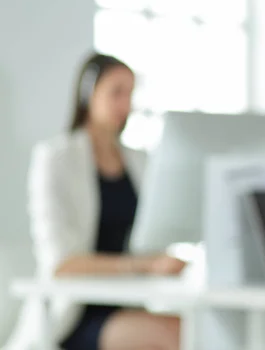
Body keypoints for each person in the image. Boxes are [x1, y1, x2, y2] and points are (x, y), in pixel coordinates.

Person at [4, 53, 184, 350]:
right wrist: (144, 266)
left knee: (195, 329)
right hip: (74, 314)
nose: (126, 105)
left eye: (130, 94)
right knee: (172, 335)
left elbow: (153, 239)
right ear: (89, 93)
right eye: (116, 92)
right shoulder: (56, 158)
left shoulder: (140, 161)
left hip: (128, 304)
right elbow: (62, 264)